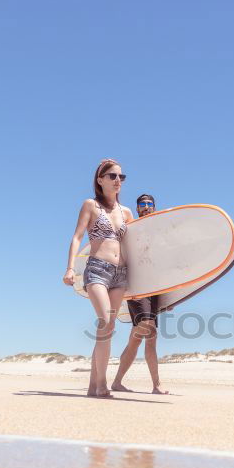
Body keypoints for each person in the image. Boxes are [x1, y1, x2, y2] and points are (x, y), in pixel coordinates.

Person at [62, 159, 131, 398]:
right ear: (100, 180)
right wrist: (70, 268)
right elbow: (76, 237)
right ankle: (102, 385)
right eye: (112, 176)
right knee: (106, 324)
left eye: (121, 177)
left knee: (107, 329)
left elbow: (136, 247)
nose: (117, 181)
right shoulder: (90, 205)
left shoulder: (126, 212)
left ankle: (93, 387)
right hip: (97, 270)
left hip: (120, 274)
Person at [111, 194, 169, 394]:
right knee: (148, 329)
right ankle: (155, 385)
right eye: (142, 204)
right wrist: (125, 289)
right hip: (137, 287)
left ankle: (122, 382)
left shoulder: (158, 234)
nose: (146, 207)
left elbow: (164, 265)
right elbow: (121, 257)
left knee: (142, 337)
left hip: (154, 288)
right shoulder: (131, 229)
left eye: (149, 204)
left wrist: (169, 296)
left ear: (154, 207)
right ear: (137, 208)